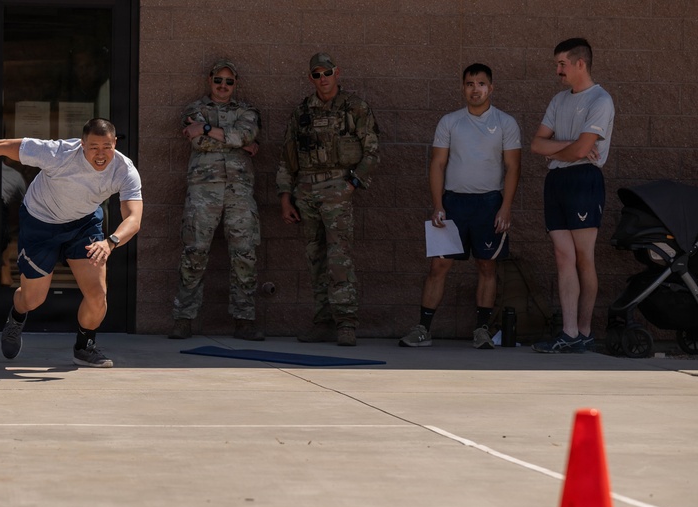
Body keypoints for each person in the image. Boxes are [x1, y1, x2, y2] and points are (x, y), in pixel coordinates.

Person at [0, 118, 143, 368]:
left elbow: (133, 218)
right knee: (33, 299)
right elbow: (0, 145)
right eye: (94, 147)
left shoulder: (124, 169)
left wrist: (110, 243)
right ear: (82, 144)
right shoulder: (57, 153)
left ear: (115, 143)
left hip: (84, 224)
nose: (101, 154)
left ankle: (84, 347)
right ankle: (16, 317)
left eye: (107, 147)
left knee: (98, 294)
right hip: (41, 223)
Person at [399, 63, 521, 349]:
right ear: (462, 88)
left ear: (491, 88)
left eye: (481, 84)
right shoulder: (450, 122)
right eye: (469, 83)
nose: (475, 89)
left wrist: (506, 207)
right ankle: (423, 329)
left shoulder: (506, 123)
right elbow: (438, 164)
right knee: (439, 265)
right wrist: (438, 204)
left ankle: (481, 330)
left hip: (490, 203)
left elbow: (513, 167)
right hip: (453, 203)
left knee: (487, 266)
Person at [277, 52, 379, 347]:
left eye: (327, 72)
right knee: (315, 258)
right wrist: (286, 198)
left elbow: (372, 151)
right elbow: (286, 157)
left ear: (338, 73)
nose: (323, 79)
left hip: (338, 188)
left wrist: (352, 185)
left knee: (339, 257)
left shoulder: (355, 107)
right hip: (305, 190)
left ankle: (346, 323)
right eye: (317, 74)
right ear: (311, 78)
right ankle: (323, 322)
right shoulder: (302, 112)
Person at [530, 38, 614, 354]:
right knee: (562, 256)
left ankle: (584, 330)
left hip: (584, 181)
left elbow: (582, 149)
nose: (558, 70)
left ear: (580, 63)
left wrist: (567, 149)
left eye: (562, 64)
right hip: (556, 181)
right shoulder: (558, 100)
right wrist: (572, 148)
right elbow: (537, 144)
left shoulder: (601, 100)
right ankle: (568, 333)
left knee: (583, 258)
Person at [170, 58, 263, 341]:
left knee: (244, 254)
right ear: (210, 80)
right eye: (218, 80)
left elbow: (247, 133)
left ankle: (244, 320)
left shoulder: (247, 110)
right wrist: (239, 143)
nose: (223, 86)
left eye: (229, 81)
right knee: (194, 253)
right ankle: (183, 318)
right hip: (203, 192)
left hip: (239, 192)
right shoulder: (195, 109)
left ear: (235, 84)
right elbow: (197, 140)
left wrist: (208, 129)